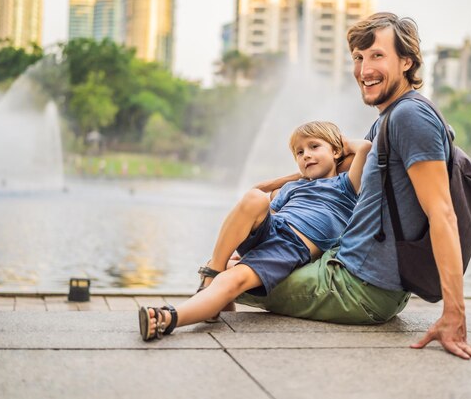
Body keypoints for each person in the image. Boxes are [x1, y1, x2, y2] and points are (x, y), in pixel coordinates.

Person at [235, 12, 471, 360]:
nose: (364, 69)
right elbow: (339, 156)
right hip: (354, 269)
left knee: (236, 276)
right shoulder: (389, 118)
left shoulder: (410, 117)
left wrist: (454, 314)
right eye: (358, 57)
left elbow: (443, 213)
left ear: (406, 61)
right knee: (255, 260)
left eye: (377, 56)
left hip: (361, 287)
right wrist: (278, 183)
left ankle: (199, 302)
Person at [139, 121, 372, 340]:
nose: (306, 155)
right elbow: (257, 194)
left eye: (314, 147)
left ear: (336, 152)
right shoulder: (293, 187)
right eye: (299, 153)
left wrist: (342, 145)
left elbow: (365, 147)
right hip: (273, 229)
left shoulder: (345, 186)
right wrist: (298, 175)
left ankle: (168, 318)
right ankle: (214, 272)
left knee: (232, 280)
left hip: (290, 246)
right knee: (253, 198)